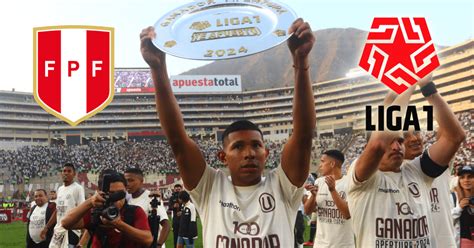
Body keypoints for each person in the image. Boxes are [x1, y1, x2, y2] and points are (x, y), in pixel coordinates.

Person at [140, 17, 316, 247]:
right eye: (238, 146)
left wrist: (301, 61)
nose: (249, 153)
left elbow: (303, 137)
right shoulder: (210, 187)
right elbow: (178, 141)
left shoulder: (283, 187)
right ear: (222, 157)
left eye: (256, 145)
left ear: (267, 154)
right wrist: (158, 68)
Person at [347, 75, 466, 247]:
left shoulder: (417, 171)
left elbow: (455, 137)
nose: (397, 147)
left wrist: (427, 87)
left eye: (400, 141)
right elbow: (378, 144)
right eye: (391, 140)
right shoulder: (362, 178)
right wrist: (411, 78)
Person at [61, 170, 153, 248]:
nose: (117, 199)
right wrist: (90, 202)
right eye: (112, 194)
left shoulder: (134, 212)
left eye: (120, 194)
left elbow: (148, 239)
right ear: (100, 192)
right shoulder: (96, 212)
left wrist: (119, 224)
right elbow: (66, 223)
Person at [404, 130, 457, 247]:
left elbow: (450, 134)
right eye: (405, 135)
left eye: (416, 132)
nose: (414, 138)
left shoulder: (438, 160)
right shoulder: (394, 172)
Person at [304, 150, 354, 247]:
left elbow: (347, 214)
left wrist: (333, 190)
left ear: (332, 164)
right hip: (320, 244)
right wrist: (313, 196)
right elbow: (307, 211)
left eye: (323, 161)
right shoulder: (319, 182)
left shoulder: (349, 183)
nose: (320, 165)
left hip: (342, 245)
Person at [124, 168, 170, 247]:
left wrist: (158, 245)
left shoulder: (151, 198)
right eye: (125, 181)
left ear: (141, 181)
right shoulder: (127, 199)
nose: (127, 184)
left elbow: (166, 225)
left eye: (131, 180)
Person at [49, 163, 85, 248]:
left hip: (71, 229)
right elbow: (58, 210)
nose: (66, 173)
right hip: (58, 229)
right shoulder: (60, 189)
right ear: (61, 173)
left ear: (74, 174)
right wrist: (46, 227)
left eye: (69, 171)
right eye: (64, 171)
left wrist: (83, 230)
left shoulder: (78, 188)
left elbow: (82, 209)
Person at [452, 165, 474, 247]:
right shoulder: (453, 197)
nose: (466, 180)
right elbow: (446, 221)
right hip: (462, 242)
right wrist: (459, 208)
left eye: (470, 177)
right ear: (459, 180)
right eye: (462, 177)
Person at [168, 184, 183, 248]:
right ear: (174, 190)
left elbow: (187, 206)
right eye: (176, 189)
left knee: (183, 236)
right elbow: (169, 207)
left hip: (183, 219)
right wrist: (173, 206)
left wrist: (182, 212)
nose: (177, 190)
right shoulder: (172, 198)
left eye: (179, 189)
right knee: (175, 236)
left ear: (181, 189)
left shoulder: (184, 197)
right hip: (175, 220)